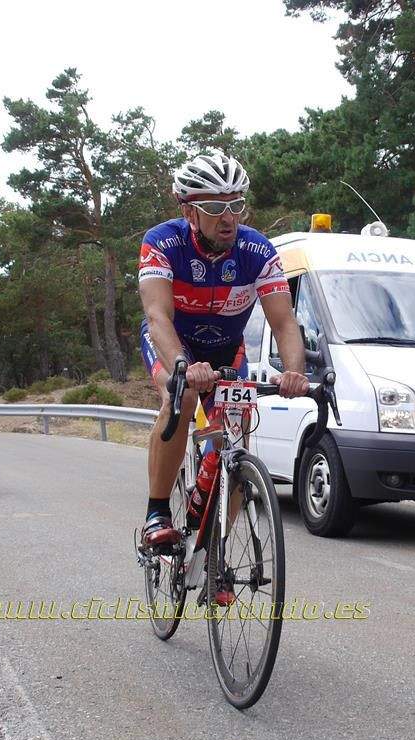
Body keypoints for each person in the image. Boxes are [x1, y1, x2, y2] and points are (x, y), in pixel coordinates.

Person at [138, 152, 310, 550]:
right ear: (188, 210)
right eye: (215, 207)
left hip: (226, 353)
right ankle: (157, 512)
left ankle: (215, 556)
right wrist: (181, 365)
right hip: (171, 345)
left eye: (236, 205)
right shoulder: (162, 243)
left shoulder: (258, 251)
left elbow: (284, 322)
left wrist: (294, 373)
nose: (229, 217)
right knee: (179, 394)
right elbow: (158, 316)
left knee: (235, 442)